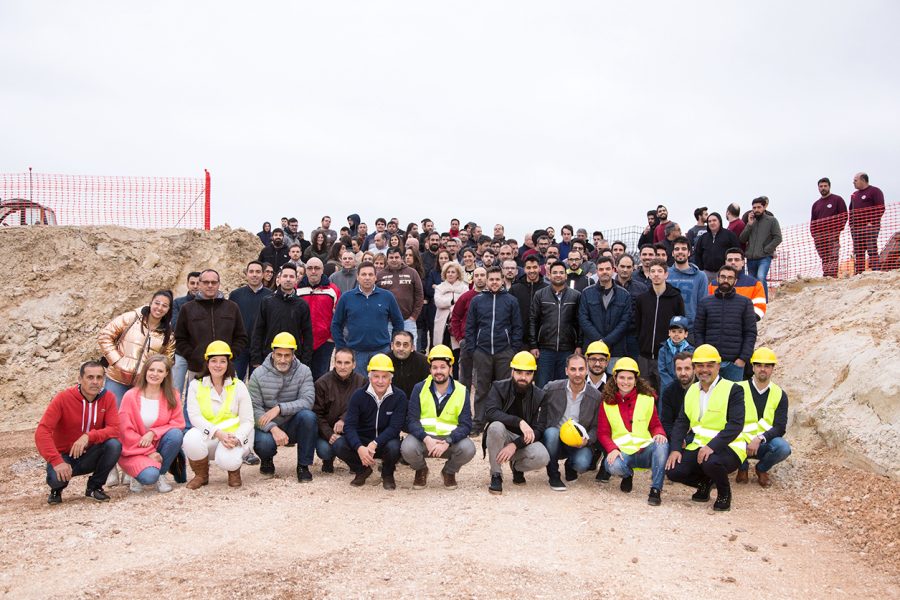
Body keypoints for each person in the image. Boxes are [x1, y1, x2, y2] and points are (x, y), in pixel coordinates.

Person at [665, 344, 747, 512]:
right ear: (695, 368)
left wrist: (712, 446)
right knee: (673, 470)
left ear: (718, 366)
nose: (704, 370)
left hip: (729, 447)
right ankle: (704, 483)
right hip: (699, 444)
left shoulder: (733, 389)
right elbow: (682, 421)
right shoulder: (692, 390)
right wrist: (675, 449)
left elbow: (735, 425)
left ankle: (724, 493)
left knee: (711, 462)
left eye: (709, 365)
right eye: (700, 365)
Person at [36, 361, 122, 504]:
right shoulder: (63, 398)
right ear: (80, 379)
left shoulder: (108, 398)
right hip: (65, 456)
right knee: (56, 480)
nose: (95, 382)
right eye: (90, 377)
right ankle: (57, 490)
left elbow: (115, 429)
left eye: (99, 378)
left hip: (90, 454)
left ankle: (94, 487)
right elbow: (42, 431)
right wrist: (57, 461)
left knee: (114, 444)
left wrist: (89, 436)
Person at [402, 345, 476, 489]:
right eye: (434, 367)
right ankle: (421, 469)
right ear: (430, 370)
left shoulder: (462, 391)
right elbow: (411, 420)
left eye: (443, 367)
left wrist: (448, 441)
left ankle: (449, 472)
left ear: (450, 369)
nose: (438, 371)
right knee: (407, 447)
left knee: (468, 448)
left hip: (449, 441)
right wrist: (426, 439)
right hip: (425, 439)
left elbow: (466, 425)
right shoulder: (419, 388)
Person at [183, 341, 254, 488]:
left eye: (222, 361)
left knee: (229, 461)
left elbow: (248, 420)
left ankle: (233, 472)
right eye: (214, 361)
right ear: (207, 363)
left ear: (228, 363)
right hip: (210, 435)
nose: (218, 365)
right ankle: (201, 475)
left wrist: (237, 438)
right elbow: (194, 416)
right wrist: (218, 433)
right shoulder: (196, 385)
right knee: (190, 438)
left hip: (232, 437)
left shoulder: (238, 385)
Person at [599, 358, 669, 505]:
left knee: (662, 444)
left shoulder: (647, 399)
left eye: (630, 378)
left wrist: (659, 433)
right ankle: (627, 474)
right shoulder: (607, 402)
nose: (626, 382)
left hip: (645, 450)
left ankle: (655, 489)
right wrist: (611, 449)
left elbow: (655, 424)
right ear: (615, 379)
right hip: (623, 453)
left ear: (636, 380)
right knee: (611, 466)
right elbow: (603, 433)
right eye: (622, 377)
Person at [249, 332, 317, 482]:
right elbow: (254, 409)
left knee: (309, 417)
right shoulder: (258, 374)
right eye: (279, 354)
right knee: (265, 444)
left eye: (287, 355)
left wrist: (280, 408)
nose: (283, 359)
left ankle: (303, 466)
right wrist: (273, 428)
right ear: (272, 354)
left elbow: (308, 401)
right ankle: (267, 460)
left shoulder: (304, 371)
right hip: (267, 424)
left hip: (293, 422)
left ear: (293, 355)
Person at [333, 354, 407, 489]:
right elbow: (349, 426)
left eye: (385, 377)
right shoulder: (358, 395)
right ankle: (362, 469)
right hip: (363, 440)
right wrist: (359, 447)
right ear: (370, 377)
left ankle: (387, 473)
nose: (380, 381)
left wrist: (375, 443)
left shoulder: (399, 396)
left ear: (391, 378)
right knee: (339, 445)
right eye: (376, 376)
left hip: (385, 441)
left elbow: (395, 428)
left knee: (395, 447)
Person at [466, 266, 524, 431]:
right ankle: (478, 423)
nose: (494, 282)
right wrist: (472, 350)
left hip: (504, 351)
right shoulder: (477, 300)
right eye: (491, 279)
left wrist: (512, 350)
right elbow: (470, 327)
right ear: (486, 280)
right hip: (482, 351)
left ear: (502, 280)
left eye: (497, 279)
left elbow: (517, 327)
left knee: (505, 389)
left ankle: (505, 424)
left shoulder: (511, 300)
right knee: (481, 389)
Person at [483, 352, 550, 494]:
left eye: (527, 373)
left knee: (542, 456)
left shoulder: (540, 396)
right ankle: (496, 474)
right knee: (495, 427)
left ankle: (517, 467)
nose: (523, 377)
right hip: (502, 436)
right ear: (512, 371)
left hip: (523, 440)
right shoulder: (498, 387)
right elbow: (490, 412)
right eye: (519, 372)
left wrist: (515, 445)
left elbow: (539, 428)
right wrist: (519, 422)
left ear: (533, 374)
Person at [117, 355, 185, 493]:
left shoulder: (172, 395)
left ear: (166, 374)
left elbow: (178, 423)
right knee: (149, 477)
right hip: (134, 449)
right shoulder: (131, 396)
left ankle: (161, 474)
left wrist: (153, 432)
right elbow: (124, 431)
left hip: (158, 444)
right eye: (151, 370)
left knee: (176, 435)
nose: (154, 374)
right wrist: (149, 452)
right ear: (145, 371)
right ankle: (136, 475)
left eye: (160, 371)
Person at [97, 290, 175, 405]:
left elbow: (168, 359)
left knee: (134, 420)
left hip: (143, 384)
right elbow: (105, 336)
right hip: (116, 379)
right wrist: (116, 360)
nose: (159, 308)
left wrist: (153, 373)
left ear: (168, 309)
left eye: (164, 306)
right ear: (150, 303)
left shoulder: (167, 333)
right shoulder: (132, 318)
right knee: (112, 416)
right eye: (157, 303)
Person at [332, 263, 405, 375]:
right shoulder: (346, 298)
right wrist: (342, 347)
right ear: (357, 277)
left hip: (382, 351)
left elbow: (398, 322)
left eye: (370, 274)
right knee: (358, 387)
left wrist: (393, 343)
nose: (367, 278)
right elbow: (336, 324)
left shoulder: (387, 296)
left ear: (375, 277)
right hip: (355, 352)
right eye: (364, 274)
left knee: (381, 385)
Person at [541, 354, 600, 491]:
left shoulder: (596, 396)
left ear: (587, 370)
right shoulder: (552, 388)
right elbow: (535, 402)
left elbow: (597, 426)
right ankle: (553, 474)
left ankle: (570, 465)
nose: (577, 374)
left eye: (581, 369)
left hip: (579, 442)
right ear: (566, 370)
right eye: (573, 369)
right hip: (555, 439)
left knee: (582, 464)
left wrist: (588, 440)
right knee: (551, 432)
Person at [735, 347, 791, 487]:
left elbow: (780, 427)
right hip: (739, 440)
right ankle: (742, 467)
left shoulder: (779, 394)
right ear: (753, 367)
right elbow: (728, 420)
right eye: (759, 365)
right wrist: (745, 439)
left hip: (763, 442)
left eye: (767, 366)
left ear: (772, 369)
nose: (763, 369)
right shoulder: (738, 389)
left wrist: (759, 438)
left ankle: (761, 469)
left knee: (783, 448)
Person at [694, 265, 757, 382]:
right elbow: (698, 331)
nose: (726, 280)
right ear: (717, 279)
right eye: (723, 277)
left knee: (733, 398)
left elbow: (750, 332)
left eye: (730, 278)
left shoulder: (745, 303)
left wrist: (742, 359)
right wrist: (702, 356)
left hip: (734, 364)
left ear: (735, 281)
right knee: (709, 398)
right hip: (709, 364)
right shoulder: (705, 302)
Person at [251, 263, 314, 372]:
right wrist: (256, 359)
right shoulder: (267, 301)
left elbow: (307, 335)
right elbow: (258, 331)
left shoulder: (302, 305)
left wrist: (305, 362)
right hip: (269, 357)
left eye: (291, 276)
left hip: (294, 359)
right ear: (279, 279)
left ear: (296, 280)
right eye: (285, 276)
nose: (288, 279)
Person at [312, 348, 367, 473]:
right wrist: (329, 434)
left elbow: (363, 408)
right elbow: (317, 413)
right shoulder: (322, 383)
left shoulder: (362, 381)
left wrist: (344, 419)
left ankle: (355, 462)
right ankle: (328, 460)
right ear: (334, 363)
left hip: (352, 428)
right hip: (328, 430)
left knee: (355, 440)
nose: (342, 366)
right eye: (339, 362)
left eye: (347, 363)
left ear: (354, 364)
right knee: (325, 450)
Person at [529, 262, 582, 388]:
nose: (558, 275)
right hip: (545, 349)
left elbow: (580, 322)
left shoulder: (576, 296)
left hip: (567, 349)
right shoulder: (540, 295)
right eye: (555, 272)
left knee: (564, 387)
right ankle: (542, 409)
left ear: (566, 275)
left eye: (561, 272)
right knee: (542, 386)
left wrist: (579, 345)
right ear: (549, 274)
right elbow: (533, 320)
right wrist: (533, 345)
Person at [634, 259, 684, 390]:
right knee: (644, 393)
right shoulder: (642, 299)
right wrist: (641, 342)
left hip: (665, 356)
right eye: (653, 271)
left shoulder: (676, 298)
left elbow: (680, 325)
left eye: (660, 271)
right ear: (649, 274)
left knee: (665, 393)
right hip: (644, 356)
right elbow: (637, 325)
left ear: (666, 274)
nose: (656, 274)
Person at [579, 256, 634, 366]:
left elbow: (625, 322)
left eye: (607, 269)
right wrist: (599, 342)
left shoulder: (624, 295)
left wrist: (606, 341)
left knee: (613, 382)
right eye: (601, 269)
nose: (604, 272)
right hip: (592, 349)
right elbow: (583, 319)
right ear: (597, 271)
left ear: (613, 270)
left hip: (616, 350)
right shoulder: (586, 293)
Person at [296, 258, 341, 380]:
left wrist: (331, 337)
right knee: (301, 378)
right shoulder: (296, 290)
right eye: (310, 268)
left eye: (317, 268)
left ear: (322, 270)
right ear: (306, 271)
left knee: (321, 379)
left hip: (324, 342)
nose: (313, 271)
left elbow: (339, 317)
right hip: (302, 342)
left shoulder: (333, 290)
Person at [229, 261, 273, 380]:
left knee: (258, 384)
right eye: (251, 271)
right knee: (235, 383)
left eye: (258, 272)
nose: (254, 275)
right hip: (239, 348)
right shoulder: (235, 295)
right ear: (246, 274)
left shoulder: (271, 296)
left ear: (263, 274)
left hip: (261, 349)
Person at [377, 247, 425, 348]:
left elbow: (419, 295)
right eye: (391, 257)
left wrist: (414, 316)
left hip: (408, 320)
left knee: (411, 349)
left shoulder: (412, 273)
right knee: (388, 350)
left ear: (401, 258)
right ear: (387, 259)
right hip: (387, 322)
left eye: (396, 257)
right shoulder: (380, 275)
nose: (394, 260)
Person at [450, 266, 487, 387]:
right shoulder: (465, 297)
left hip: (485, 342)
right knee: (465, 376)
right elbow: (455, 317)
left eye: (482, 275)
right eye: (477, 276)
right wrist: (459, 338)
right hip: (467, 341)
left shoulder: (492, 296)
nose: (480, 278)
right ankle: (464, 402)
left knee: (483, 377)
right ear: (472, 279)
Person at [739, 196, 783, 299]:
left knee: (761, 277)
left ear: (764, 208)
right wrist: (749, 225)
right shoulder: (749, 221)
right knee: (751, 280)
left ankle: (764, 302)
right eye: (754, 208)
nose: (756, 210)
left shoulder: (772, 220)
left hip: (764, 257)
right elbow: (742, 239)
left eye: (759, 207)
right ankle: (753, 302)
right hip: (750, 258)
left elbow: (778, 238)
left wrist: (767, 250)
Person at [708, 248, 767, 321]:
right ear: (725, 262)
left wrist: (741, 321)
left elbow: (759, 309)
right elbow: (707, 306)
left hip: (743, 328)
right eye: (730, 260)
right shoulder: (713, 284)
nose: (733, 262)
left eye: (736, 260)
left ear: (743, 262)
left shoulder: (755, 284)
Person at [810, 177, 848, 278]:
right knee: (824, 258)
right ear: (818, 188)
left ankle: (833, 276)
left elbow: (844, 216)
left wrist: (837, 230)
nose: (823, 188)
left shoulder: (837, 200)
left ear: (829, 187)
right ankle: (826, 276)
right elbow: (813, 221)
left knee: (833, 256)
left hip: (833, 235)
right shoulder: (816, 204)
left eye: (825, 186)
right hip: (819, 237)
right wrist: (814, 235)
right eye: (821, 186)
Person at [667, 236, 708, 327]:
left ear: (689, 253)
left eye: (684, 249)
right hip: (668, 327)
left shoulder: (700, 276)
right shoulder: (665, 274)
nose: (680, 251)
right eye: (677, 249)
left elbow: (703, 305)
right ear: (673, 253)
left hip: (691, 329)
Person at [849, 172, 886, 273]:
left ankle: (875, 271)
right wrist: (851, 226)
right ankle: (859, 273)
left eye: (855, 180)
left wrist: (872, 222)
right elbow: (851, 211)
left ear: (863, 180)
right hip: (856, 229)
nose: (853, 182)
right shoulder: (854, 195)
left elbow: (880, 208)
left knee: (871, 249)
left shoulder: (875, 191)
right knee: (859, 252)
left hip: (870, 227)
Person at [433, 261, 468, 365]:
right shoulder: (440, 287)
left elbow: (464, 304)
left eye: (453, 272)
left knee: (456, 354)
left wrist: (450, 302)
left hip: (457, 325)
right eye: (448, 272)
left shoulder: (464, 287)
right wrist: (453, 301)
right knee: (442, 353)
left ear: (458, 274)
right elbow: (438, 302)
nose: (450, 274)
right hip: (442, 325)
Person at [693, 212, 741, 281]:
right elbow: (697, 254)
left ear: (720, 221)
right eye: (709, 221)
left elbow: (737, 252)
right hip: (706, 273)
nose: (712, 223)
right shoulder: (703, 237)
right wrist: (701, 270)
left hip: (725, 273)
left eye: (714, 220)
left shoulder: (729, 235)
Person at [659, 352, 695, 440]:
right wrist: (678, 439)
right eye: (679, 369)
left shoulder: (703, 388)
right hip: (676, 435)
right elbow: (666, 423)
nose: (683, 373)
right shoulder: (669, 392)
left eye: (687, 368)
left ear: (694, 369)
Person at [509, 255, 548, 334]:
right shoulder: (514, 289)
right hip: (520, 337)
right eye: (528, 268)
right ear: (524, 269)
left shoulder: (547, 289)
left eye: (534, 267)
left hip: (542, 337)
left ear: (540, 268)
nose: (532, 270)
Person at [387, 331, 430, 400]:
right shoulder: (384, 360)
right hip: (391, 403)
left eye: (405, 345)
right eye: (398, 344)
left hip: (416, 403)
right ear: (392, 346)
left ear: (412, 347)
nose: (401, 348)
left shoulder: (423, 362)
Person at [657, 316, 694, 395]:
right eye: (673, 331)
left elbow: (693, 370)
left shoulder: (691, 351)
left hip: (685, 386)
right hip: (667, 387)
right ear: (669, 333)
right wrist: (672, 386)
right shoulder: (663, 350)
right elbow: (662, 370)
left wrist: (683, 385)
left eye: (680, 332)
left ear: (686, 334)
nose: (676, 334)